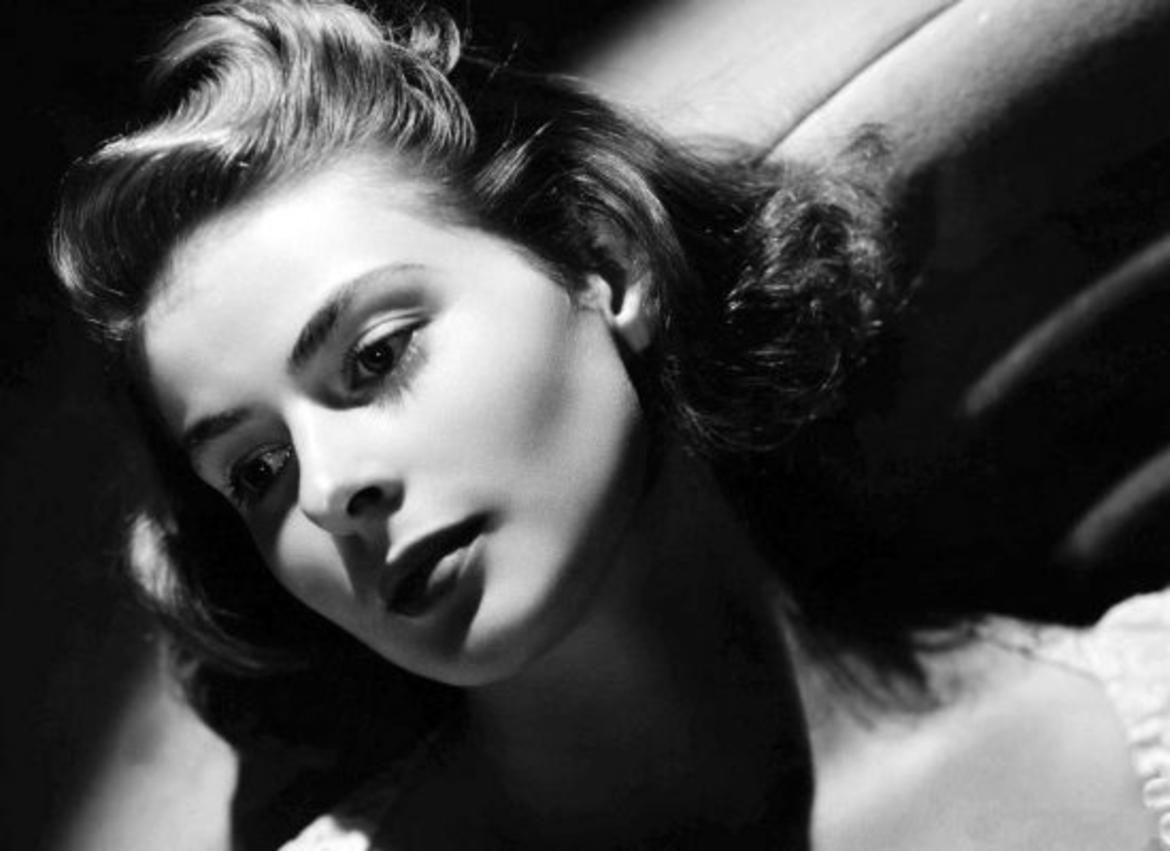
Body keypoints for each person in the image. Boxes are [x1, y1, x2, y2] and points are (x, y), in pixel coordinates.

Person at [50, 0, 1168, 848]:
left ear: (605, 260)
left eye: (378, 356)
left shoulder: (1138, 727)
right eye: (256, 469)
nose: (331, 489)